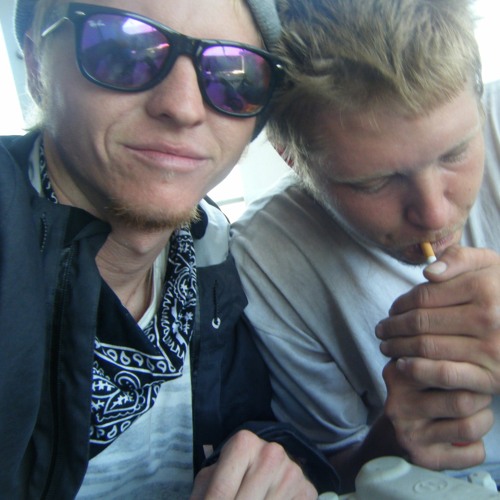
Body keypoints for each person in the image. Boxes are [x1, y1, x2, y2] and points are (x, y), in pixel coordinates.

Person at [0, 0, 339, 497]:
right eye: (124, 49)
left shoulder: (207, 249)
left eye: (234, 74)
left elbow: (245, 421)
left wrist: (277, 467)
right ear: (35, 64)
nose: (183, 108)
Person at [230, 0, 500, 493]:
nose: (434, 215)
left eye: (456, 152)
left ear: (479, 97)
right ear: (291, 158)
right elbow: (333, 472)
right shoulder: (267, 261)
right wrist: (393, 440)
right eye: (374, 182)